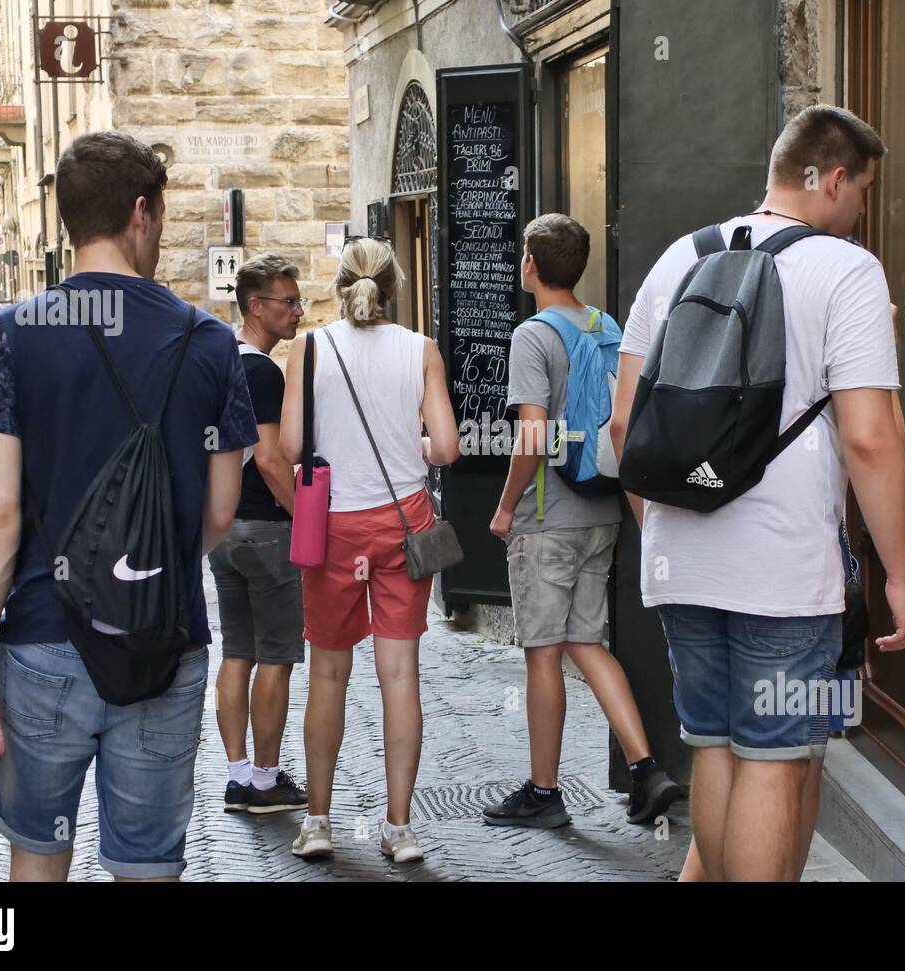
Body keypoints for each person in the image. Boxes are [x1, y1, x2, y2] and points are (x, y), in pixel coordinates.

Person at [610, 105, 905, 882]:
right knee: (776, 760)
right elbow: (871, 437)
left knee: (711, 745)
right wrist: (900, 574)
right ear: (835, 178)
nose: (859, 211)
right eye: (862, 193)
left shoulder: (679, 257)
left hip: (682, 561)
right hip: (784, 572)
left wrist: (664, 531)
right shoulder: (847, 269)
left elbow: (622, 425)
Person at [0, 130, 257, 882]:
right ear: (142, 213)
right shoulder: (211, 343)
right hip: (164, 641)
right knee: (147, 866)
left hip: (44, 642)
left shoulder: (6, 338)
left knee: (39, 856)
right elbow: (219, 514)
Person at [483, 213, 680, 830]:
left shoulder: (533, 335)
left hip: (548, 517)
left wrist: (506, 506)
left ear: (532, 267)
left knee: (542, 653)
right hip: (603, 509)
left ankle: (544, 793)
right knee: (586, 643)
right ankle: (647, 769)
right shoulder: (608, 326)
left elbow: (533, 436)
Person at [278, 237, 460, 864]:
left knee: (328, 674)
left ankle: (320, 821)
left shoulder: (310, 347)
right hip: (404, 520)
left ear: (340, 286)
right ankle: (400, 828)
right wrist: (416, 448)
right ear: (394, 288)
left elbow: (294, 447)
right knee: (401, 676)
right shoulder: (423, 350)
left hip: (335, 525)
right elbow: (447, 445)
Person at [210, 253, 309, 815]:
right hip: (266, 529)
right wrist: (302, 518)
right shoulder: (263, 371)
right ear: (256, 306)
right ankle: (266, 783)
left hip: (223, 528)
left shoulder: (220, 356)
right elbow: (271, 461)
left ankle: (237, 774)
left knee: (237, 652)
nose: (297, 311)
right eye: (287, 301)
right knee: (276, 656)